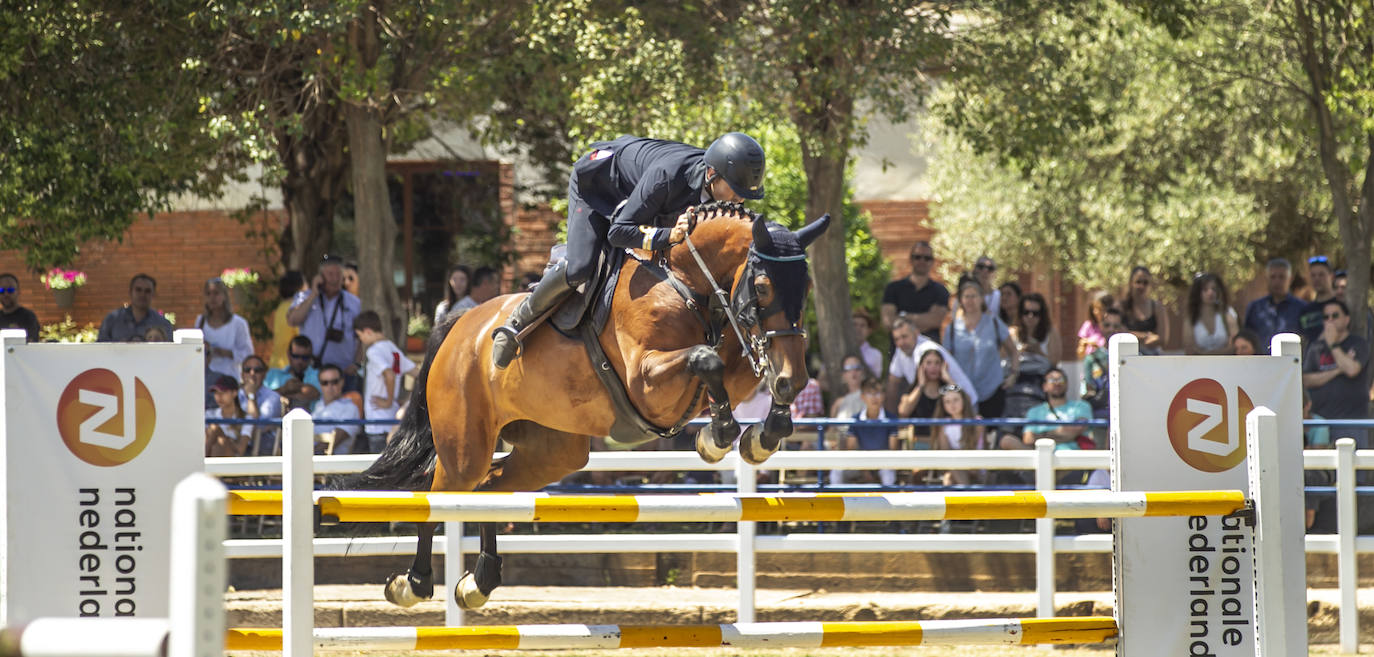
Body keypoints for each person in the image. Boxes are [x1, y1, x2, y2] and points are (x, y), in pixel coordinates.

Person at [492, 132, 767, 368]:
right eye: (735, 191)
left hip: (638, 197)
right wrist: (669, 234)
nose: (739, 201)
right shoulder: (668, 178)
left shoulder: (716, 186)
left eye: (745, 195)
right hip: (598, 186)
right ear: (711, 175)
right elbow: (618, 232)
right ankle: (517, 321)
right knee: (580, 267)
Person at [943, 279, 1018, 419]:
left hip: (992, 388)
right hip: (964, 393)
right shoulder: (952, 328)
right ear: (960, 300)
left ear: (982, 298)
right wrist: (951, 383)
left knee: (992, 435)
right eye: (966, 296)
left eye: (974, 296)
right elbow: (946, 360)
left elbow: (1013, 351)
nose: (970, 300)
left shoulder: (994, 322)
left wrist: (1013, 374)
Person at [1302, 299, 1370, 452]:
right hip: (1321, 424)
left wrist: (1333, 344)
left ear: (1347, 319)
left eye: (1335, 315)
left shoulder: (1358, 343)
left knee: (1354, 474)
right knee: (1323, 473)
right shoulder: (1316, 347)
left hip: (1352, 423)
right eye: (1326, 317)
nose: (1330, 320)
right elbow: (1306, 380)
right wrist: (1338, 370)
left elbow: (1352, 370)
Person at [287, 254, 361, 383]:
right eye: (330, 274)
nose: (335, 279)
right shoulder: (304, 298)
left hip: (343, 373)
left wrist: (356, 364)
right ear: (320, 277)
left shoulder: (353, 302)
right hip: (312, 371)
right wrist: (314, 294)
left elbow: (361, 337)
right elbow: (292, 320)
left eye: (338, 274)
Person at [884, 315, 976, 418]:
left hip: (966, 405)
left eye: (904, 337)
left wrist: (947, 379)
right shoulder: (901, 351)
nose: (901, 342)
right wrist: (889, 420)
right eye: (897, 339)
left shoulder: (926, 349)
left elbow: (966, 399)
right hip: (938, 405)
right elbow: (893, 384)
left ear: (916, 333)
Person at [355, 310, 417, 453]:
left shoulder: (373, 351)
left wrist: (388, 401)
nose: (361, 340)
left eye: (360, 336)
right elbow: (419, 374)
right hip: (392, 420)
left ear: (368, 331)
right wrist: (408, 399)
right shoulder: (393, 349)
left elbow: (389, 375)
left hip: (377, 421)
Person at [828, 378, 896, 487]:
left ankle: (889, 503)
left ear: (883, 396)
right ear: (862, 397)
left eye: (877, 393)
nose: (874, 398)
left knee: (888, 475)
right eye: (869, 394)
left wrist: (876, 465)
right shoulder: (856, 419)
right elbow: (851, 449)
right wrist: (864, 470)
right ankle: (838, 502)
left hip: (884, 462)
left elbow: (893, 450)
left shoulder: (891, 419)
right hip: (860, 462)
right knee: (836, 471)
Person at [880, 241, 949, 342]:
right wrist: (923, 321)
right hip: (899, 350)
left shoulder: (940, 290)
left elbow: (935, 321)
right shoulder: (893, 288)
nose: (922, 261)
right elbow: (888, 322)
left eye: (927, 258)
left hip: (929, 352)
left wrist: (902, 316)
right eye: (918, 257)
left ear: (932, 262)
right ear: (911, 259)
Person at [1011, 367, 1094, 451]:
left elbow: (1075, 430)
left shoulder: (1081, 406)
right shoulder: (1034, 411)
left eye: (1061, 380)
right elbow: (1028, 439)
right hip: (1041, 458)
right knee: (1008, 440)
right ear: (1044, 387)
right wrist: (1064, 435)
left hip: (1073, 457)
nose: (1057, 383)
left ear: (1067, 384)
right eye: (1052, 380)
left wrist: (1041, 437)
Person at [195, 277, 254, 382]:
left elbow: (247, 354)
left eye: (216, 293)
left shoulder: (238, 323)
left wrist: (223, 352)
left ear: (224, 296)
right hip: (205, 379)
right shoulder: (200, 321)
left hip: (229, 378)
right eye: (208, 294)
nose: (212, 298)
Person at [1243, 258, 1304, 353]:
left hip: (1291, 362)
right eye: (1273, 277)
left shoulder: (1301, 308)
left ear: (1290, 279)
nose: (1277, 281)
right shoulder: (1255, 308)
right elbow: (1247, 338)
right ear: (1267, 278)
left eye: (1281, 277)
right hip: (1261, 363)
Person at [933, 384, 986, 487]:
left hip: (975, 465)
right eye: (947, 402)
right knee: (948, 479)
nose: (952, 405)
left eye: (955, 400)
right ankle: (967, 496)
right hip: (953, 465)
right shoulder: (944, 424)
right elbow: (945, 451)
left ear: (963, 401)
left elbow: (972, 449)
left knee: (951, 472)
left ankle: (967, 496)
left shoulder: (977, 421)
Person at [97, 273, 174, 342]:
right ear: (130, 292)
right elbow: (99, 349)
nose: (142, 294)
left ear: (153, 294)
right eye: (138, 290)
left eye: (147, 291)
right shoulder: (112, 320)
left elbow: (169, 353)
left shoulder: (163, 324)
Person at [1082, 307, 1127, 419]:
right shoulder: (1091, 358)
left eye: (1116, 326)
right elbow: (1088, 391)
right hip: (1101, 416)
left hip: (1127, 416)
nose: (1111, 329)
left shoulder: (1134, 356)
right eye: (1107, 325)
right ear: (1100, 326)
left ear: (1123, 327)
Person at [310, 364, 361, 454]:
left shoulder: (350, 408)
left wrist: (306, 454)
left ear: (342, 382)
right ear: (320, 385)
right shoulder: (318, 405)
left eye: (334, 382)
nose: (330, 387)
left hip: (331, 464)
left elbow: (332, 442)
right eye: (325, 383)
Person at [1183, 273, 1238, 355]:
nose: (1210, 293)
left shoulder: (1227, 313)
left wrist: (1207, 354)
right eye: (1205, 289)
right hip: (1200, 365)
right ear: (1197, 293)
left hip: (1226, 364)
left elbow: (1235, 345)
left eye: (1214, 289)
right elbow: (1190, 348)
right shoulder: (1191, 318)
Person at [239, 355, 284, 456]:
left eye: (257, 370)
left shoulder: (273, 397)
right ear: (242, 375)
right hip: (236, 442)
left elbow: (260, 425)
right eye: (247, 370)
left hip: (261, 446)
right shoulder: (234, 394)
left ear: (264, 374)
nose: (252, 374)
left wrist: (251, 396)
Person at [265, 335, 322, 411]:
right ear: (288, 354)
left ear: (311, 357)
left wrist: (284, 393)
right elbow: (263, 399)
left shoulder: (318, 375)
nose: (300, 361)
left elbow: (314, 394)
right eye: (296, 356)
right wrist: (285, 389)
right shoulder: (273, 374)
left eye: (305, 357)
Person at [1120, 266, 1168, 354]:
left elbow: (1163, 340)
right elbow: (1119, 333)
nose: (1141, 286)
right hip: (1127, 356)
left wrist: (1132, 335)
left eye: (1145, 283)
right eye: (1138, 282)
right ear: (1131, 283)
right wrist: (1147, 336)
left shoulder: (1157, 308)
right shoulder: (1121, 307)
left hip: (1152, 356)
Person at [205, 375, 251, 457]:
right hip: (212, 453)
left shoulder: (246, 418)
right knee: (215, 438)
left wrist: (222, 436)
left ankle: (200, 459)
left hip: (232, 459)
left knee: (216, 432)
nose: (219, 396)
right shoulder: (209, 414)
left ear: (234, 393)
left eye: (223, 392)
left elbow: (240, 450)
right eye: (216, 392)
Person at [269, 271, 305, 369]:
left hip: (276, 363)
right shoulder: (295, 310)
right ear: (299, 287)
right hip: (289, 366)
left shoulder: (281, 308)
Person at [1298, 255, 1337, 343]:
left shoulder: (1341, 305)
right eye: (1313, 275)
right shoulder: (1305, 311)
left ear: (1331, 277)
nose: (1317, 279)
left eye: (1321, 274)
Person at [0, 273, 40, 341]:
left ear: (18, 292)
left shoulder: (28, 317)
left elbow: (31, 342)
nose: (6, 294)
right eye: (2, 291)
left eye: (10, 290)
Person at [1076, 292, 1115, 358]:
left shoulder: (1113, 325)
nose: (1096, 312)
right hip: (1092, 360)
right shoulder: (1088, 325)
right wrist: (1084, 345)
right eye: (1094, 308)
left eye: (1100, 309)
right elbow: (1080, 355)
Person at [851, 308, 884, 378]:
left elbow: (874, 381)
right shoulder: (839, 350)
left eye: (862, 325)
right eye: (854, 325)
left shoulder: (875, 355)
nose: (858, 329)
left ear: (869, 330)